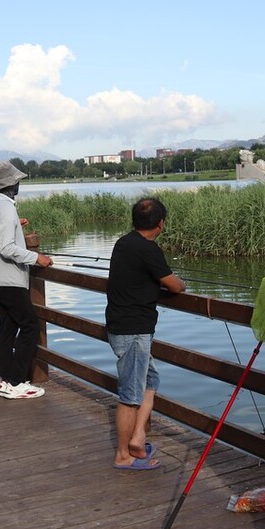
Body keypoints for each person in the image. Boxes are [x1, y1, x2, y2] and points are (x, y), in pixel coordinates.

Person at [106, 198, 185, 471]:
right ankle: (123, 455)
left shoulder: (123, 243)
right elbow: (174, 286)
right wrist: (182, 283)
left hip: (121, 326)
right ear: (161, 223)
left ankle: (138, 438)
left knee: (150, 380)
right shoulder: (148, 250)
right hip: (134, 331)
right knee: (130, 395)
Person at [0, 161, 53, 399]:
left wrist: (16, 227)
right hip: (8, 279)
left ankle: (5, 382)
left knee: (8, 327)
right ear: (12, 184)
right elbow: (5, 247)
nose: (19, 184)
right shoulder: (7, 208)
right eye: (18, 181)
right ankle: (16, 381)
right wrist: (36, 258)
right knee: (30, 325)